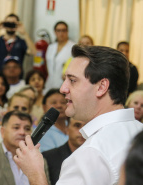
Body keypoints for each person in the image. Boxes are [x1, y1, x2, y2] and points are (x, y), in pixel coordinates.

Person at [14, 45, 143, 185]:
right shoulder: (138, 130)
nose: (63, 89)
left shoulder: (91, 153)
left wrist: (35, 174)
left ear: (101, 87)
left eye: (72, 80)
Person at [0, 110, 50, 185]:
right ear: (2, 132)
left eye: (27, 128)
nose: (22, 132)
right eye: (16, 128)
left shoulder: (39, 161)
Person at [42, 118, 85, 185]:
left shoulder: (95, 157)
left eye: (86, 126)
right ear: (67, 129)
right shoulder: (48, 158)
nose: (82, 130)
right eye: (77, 125)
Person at [44, 21, 75, 93]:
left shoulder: (73, 47)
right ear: (55, 32)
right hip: (49, 83)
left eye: (64, 30)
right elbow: (47, 64)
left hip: (64, 84)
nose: (61, 33)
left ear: (67, 32)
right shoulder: (51, 47)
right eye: (58, 30)